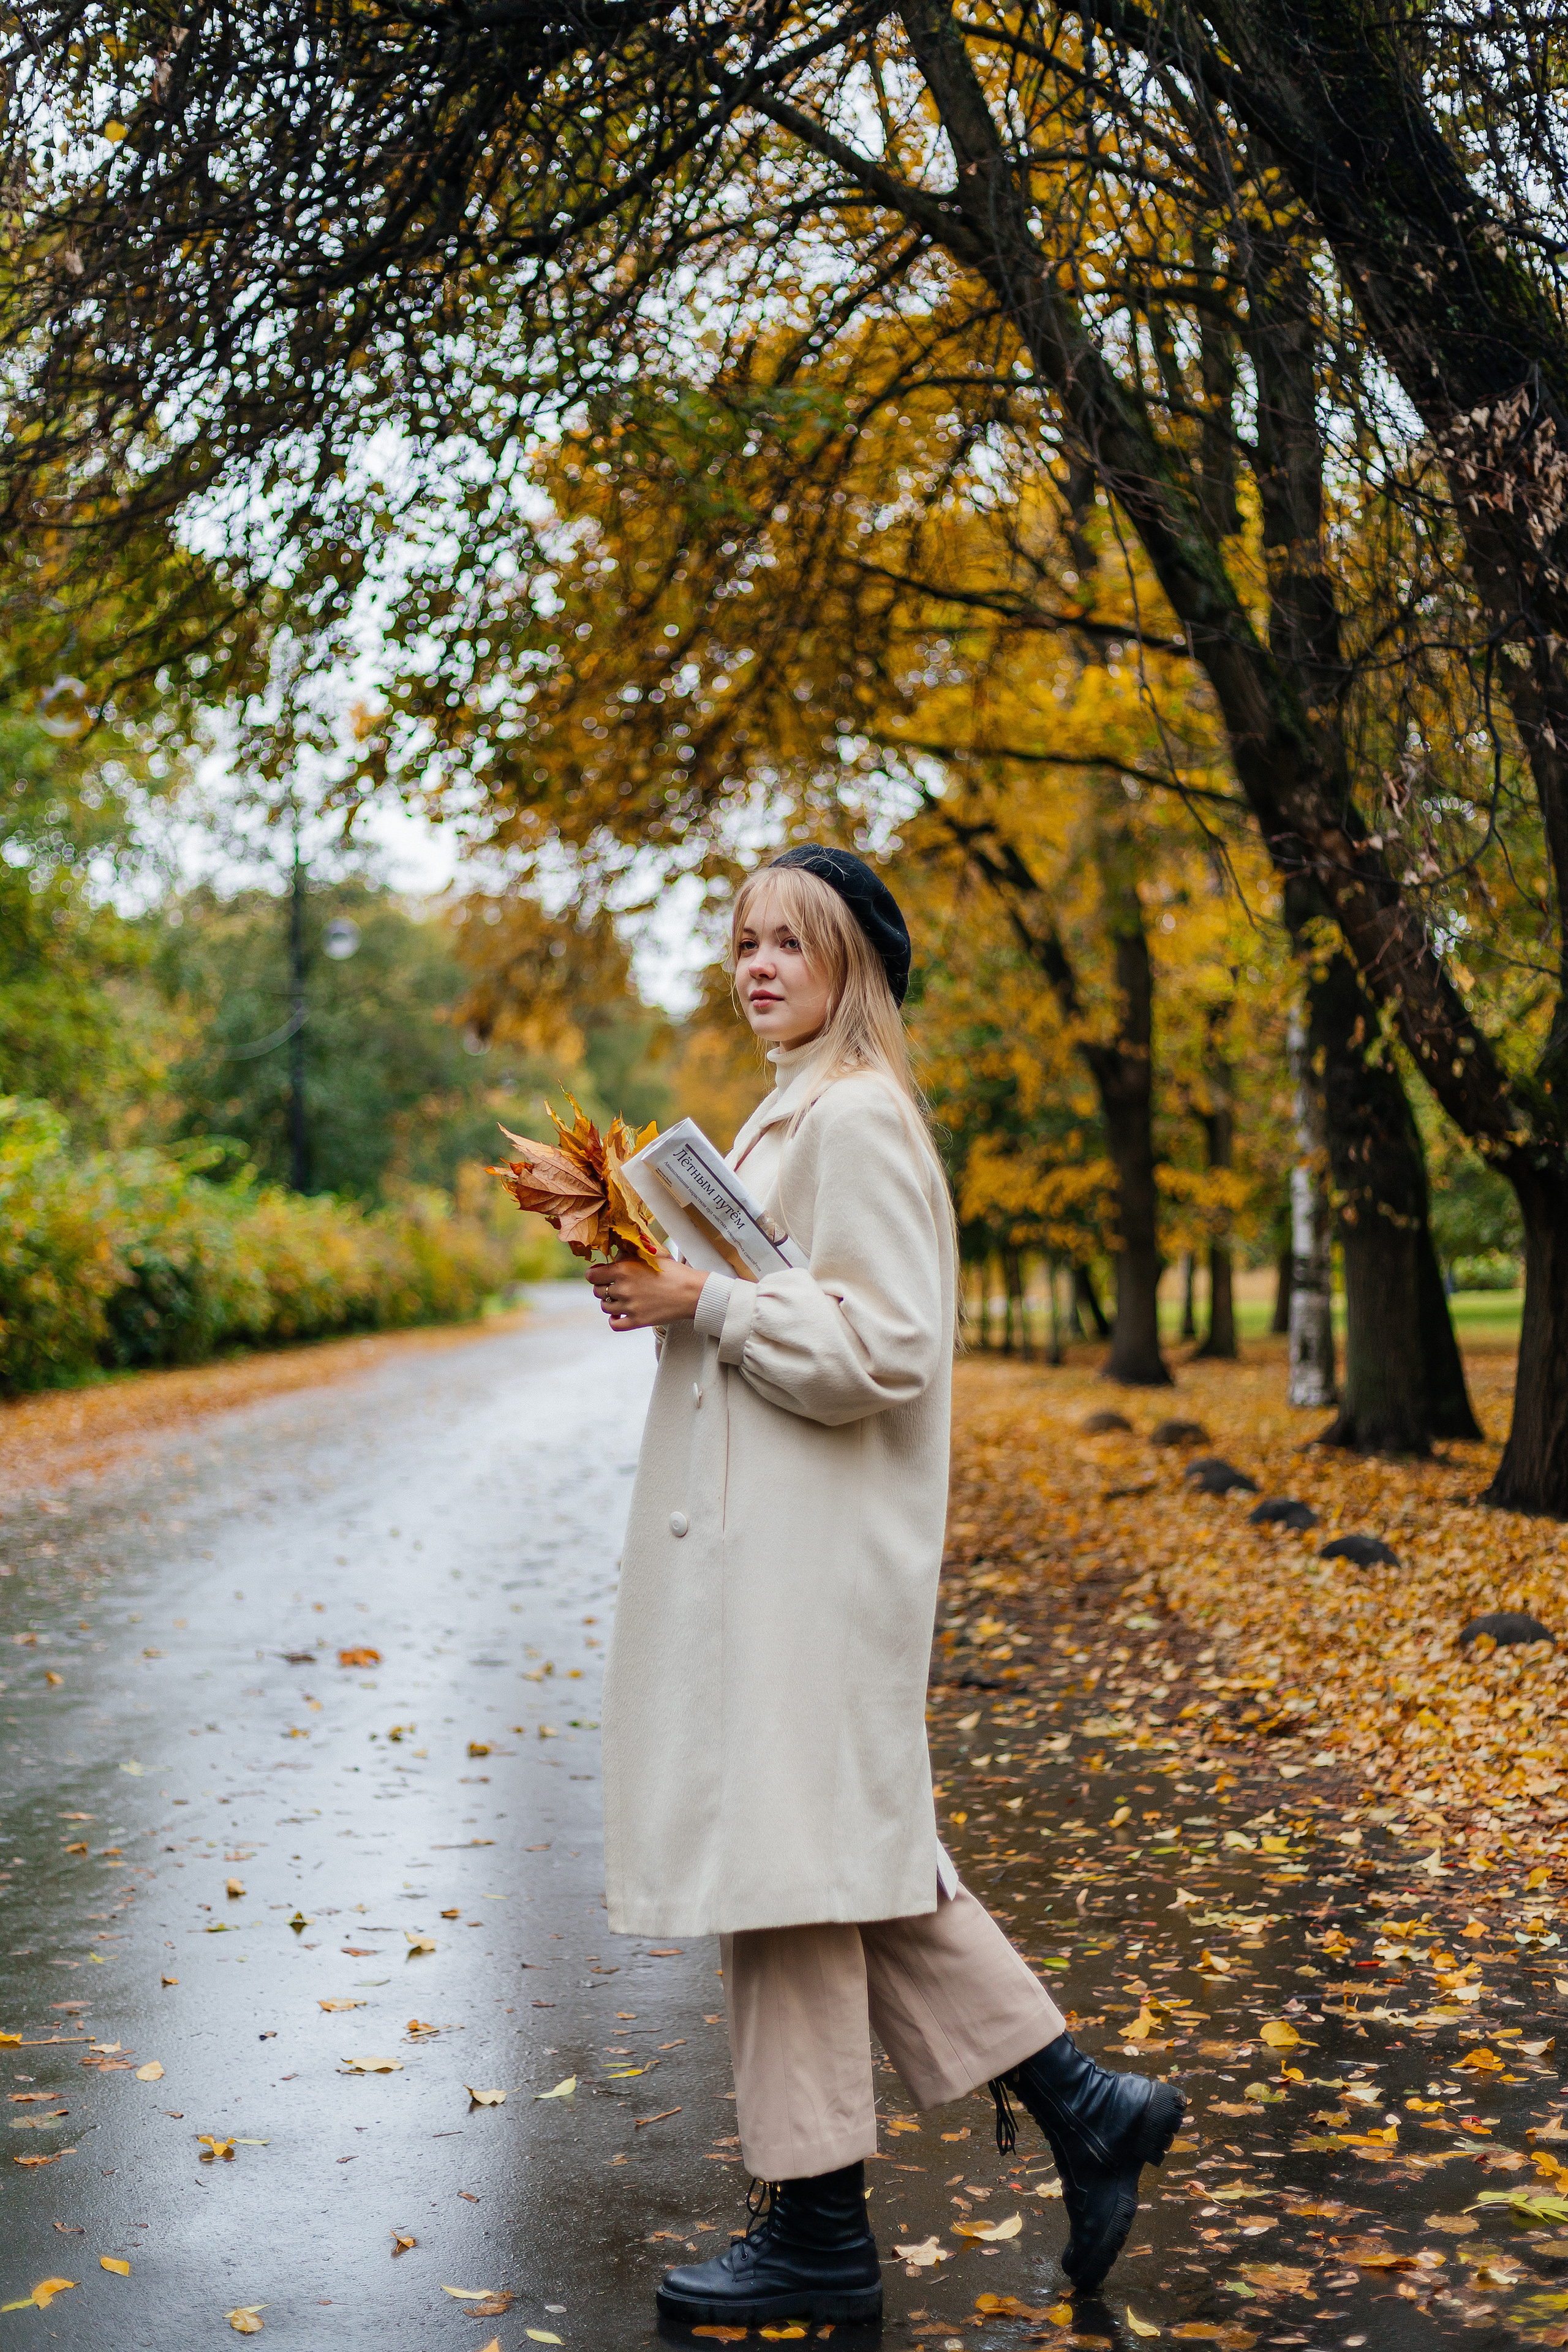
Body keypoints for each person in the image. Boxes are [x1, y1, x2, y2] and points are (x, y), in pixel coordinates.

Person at [587, 845, 1183, 2329]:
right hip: (767, 1567)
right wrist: (650, 1273)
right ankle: (1078, 2106)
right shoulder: (786, 1112)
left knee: (795, 1869)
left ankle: (819, 2231)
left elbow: (885, 1350)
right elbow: (781, 1316)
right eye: (741, 942)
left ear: (857, 964)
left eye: (792, 942)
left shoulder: (858, 1119)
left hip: (812, 1574)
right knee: (824, 1860)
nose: (757, 965)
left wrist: (703, 1299)